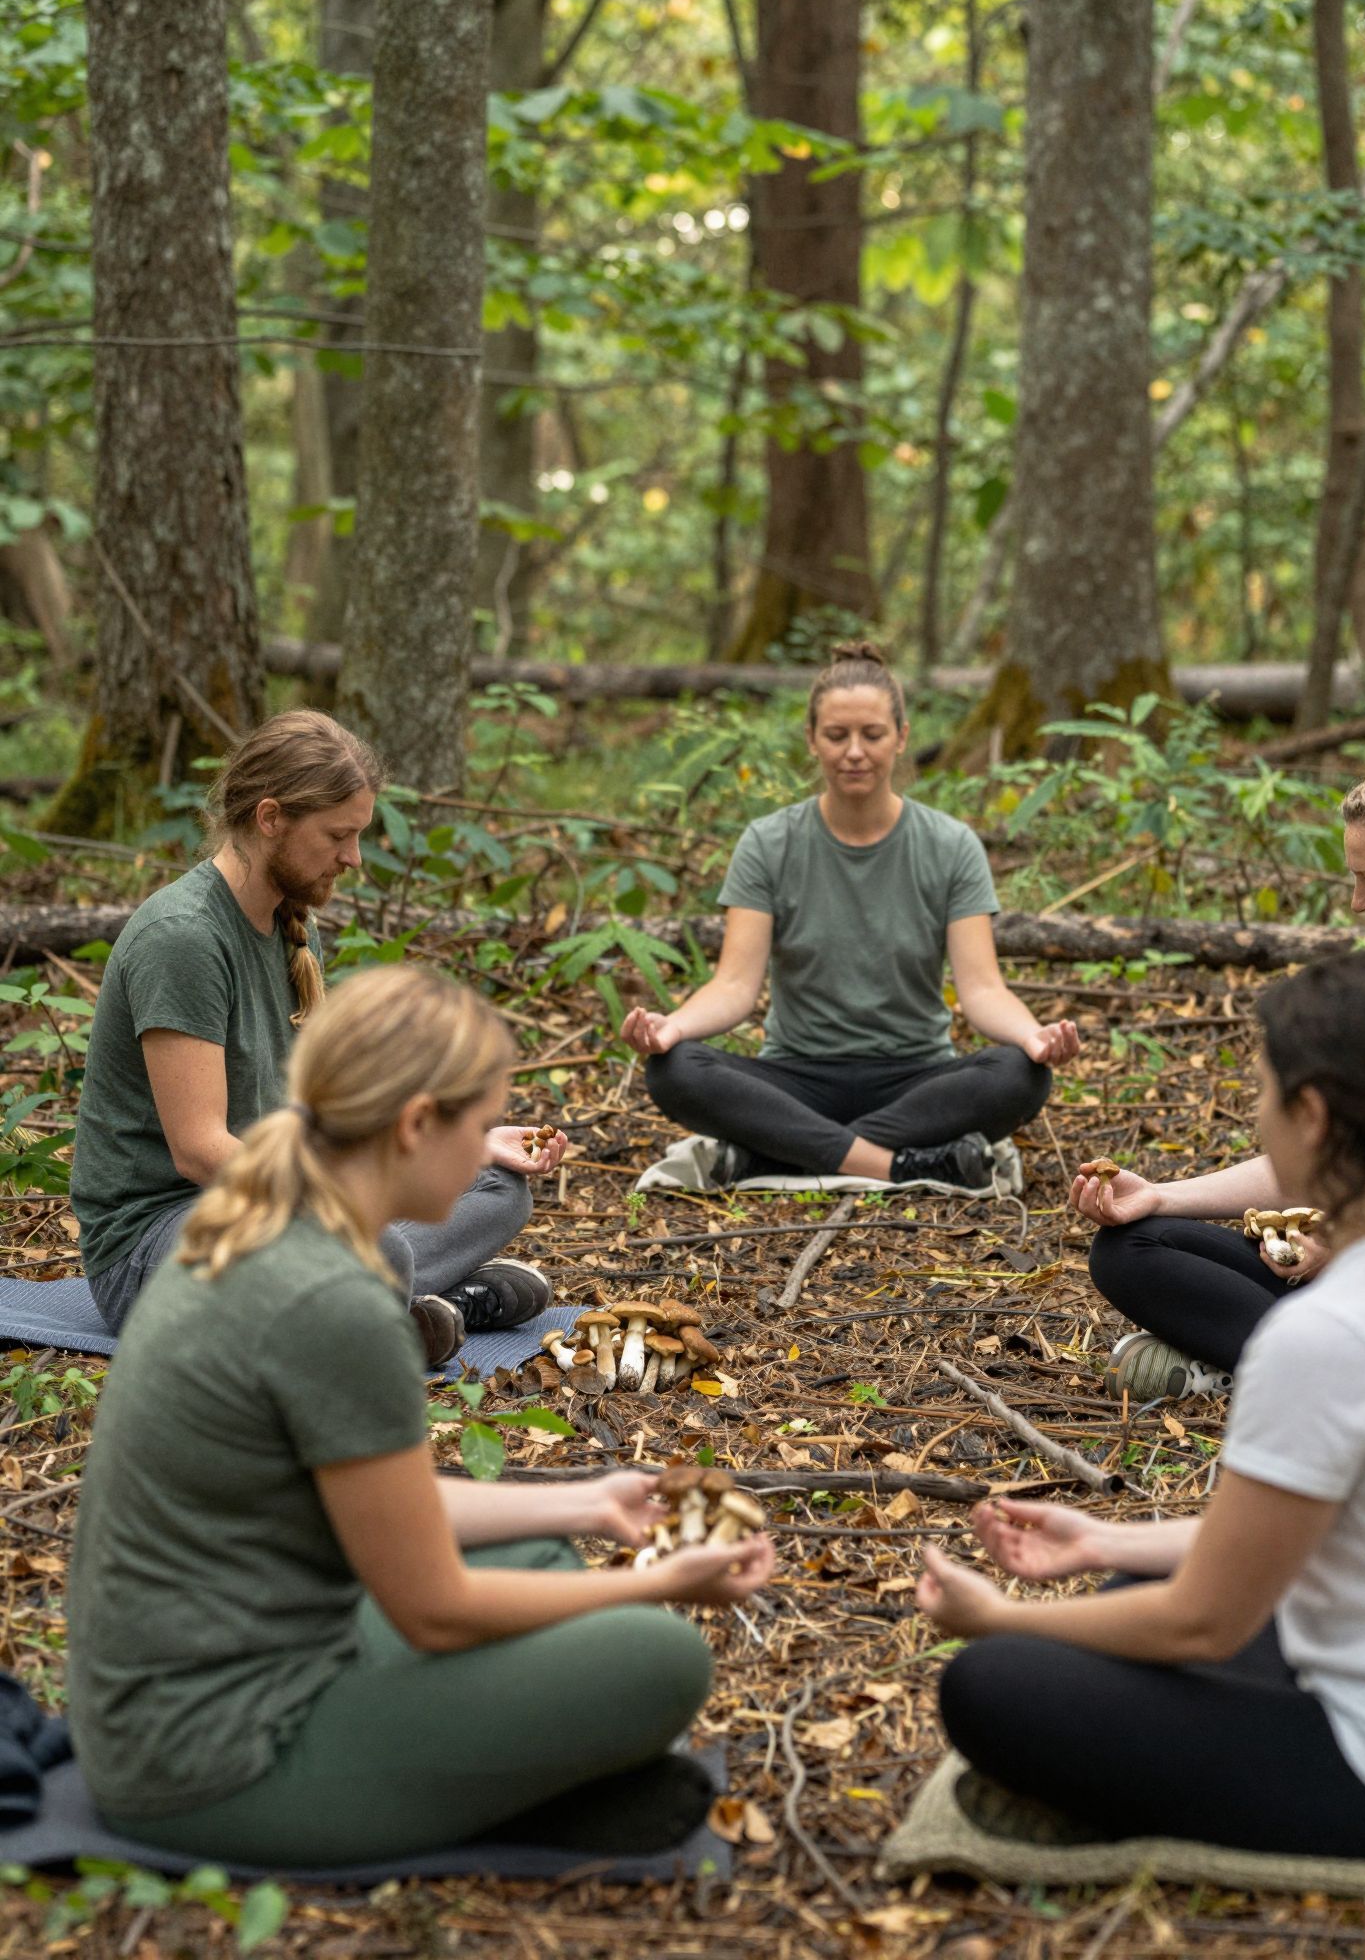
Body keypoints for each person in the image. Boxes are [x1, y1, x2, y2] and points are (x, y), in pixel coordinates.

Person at [66, 966, 774, 1866]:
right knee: (661, 1658)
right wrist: (664, 1584)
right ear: (413, 1126)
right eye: (479, 1128)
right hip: (215, 1761)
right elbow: (434, 1610)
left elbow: (368, 1506)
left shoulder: (269, 1217)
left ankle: (512, 1782)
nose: (489, 1149)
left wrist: (589, 1502)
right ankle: (510, 1796)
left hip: (208, 1671)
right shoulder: (335, 1299)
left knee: (541, 1556)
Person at [918, 952, 1365, 1859]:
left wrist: (999, 1616)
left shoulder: (1331, 1333)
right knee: (1134, 1586)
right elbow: (1351, 1527)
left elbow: (1206, 1621)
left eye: (1263, 1094)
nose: (1256, 1115)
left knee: (995, 1683)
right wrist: (1103, 1539)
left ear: (1314, 1116)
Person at [70, 710, 563, 1363]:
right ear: (270, 818)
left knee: (497, 1189)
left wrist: (462, 1144)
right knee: (376, 1245)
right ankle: (410, 1301)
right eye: (338, 835)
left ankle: (394, 1302)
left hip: (279, 1204)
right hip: (159, 1243)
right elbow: (199, 1152)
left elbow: (316, 1120)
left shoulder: (293, 926)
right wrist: (349, 1202)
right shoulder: (182, 939)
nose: (353, 857)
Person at [1075, 758, 1365, 1401]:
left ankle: (1317, 1374)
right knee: (1131, 1246)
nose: (1358, 902)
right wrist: (1159, 1195)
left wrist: (1349, 1237)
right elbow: (1322, 1151)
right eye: (1355, 879)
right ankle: (1297, 1363)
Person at [621, 643, 1079, 1190]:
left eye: (873, 735)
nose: (854, 752)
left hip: (915, 1080)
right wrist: (672, 1027)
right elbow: (734, 985)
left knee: (1019, 1076)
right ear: (812, 739)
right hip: (796, 1075)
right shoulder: (769, 843)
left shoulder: (951, 845)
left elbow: (981, 990)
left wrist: (1034, 1037)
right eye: (837, 736)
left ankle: (780, 1152)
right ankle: (895, 1165)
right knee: (675, 1070)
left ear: (902, 737)